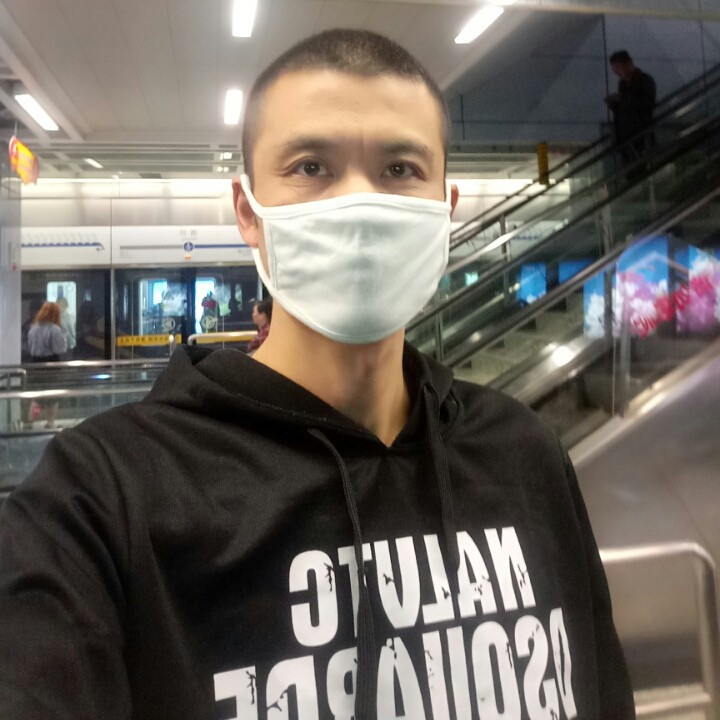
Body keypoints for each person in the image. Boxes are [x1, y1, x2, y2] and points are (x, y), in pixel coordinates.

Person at [0, 30, 635, 719]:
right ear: (248, 213)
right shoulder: (101, 500)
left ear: (445, 213)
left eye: (400, 168)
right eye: (311, 166)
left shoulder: (525, 455)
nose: (358, 205)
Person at [606, 50, 657, 169]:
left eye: (619, 69)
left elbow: (647, 104)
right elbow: (625, 109)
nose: (618, 73)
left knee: (638, 168)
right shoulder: (623, 84)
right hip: (626, 135)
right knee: (630, 168)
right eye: (615, 70)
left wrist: (622, 99)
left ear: (629, 63)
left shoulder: (645, 80)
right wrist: (614, 104)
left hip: (640, 134)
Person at [25, 301, 67, 429]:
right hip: (52, 364)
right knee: (53, 396)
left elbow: (30, 346)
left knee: (38, 397)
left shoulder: (33, 328)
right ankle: (50, 422)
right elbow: (59, 349)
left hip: (36, 364)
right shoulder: (54, 329)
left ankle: (30, 421)